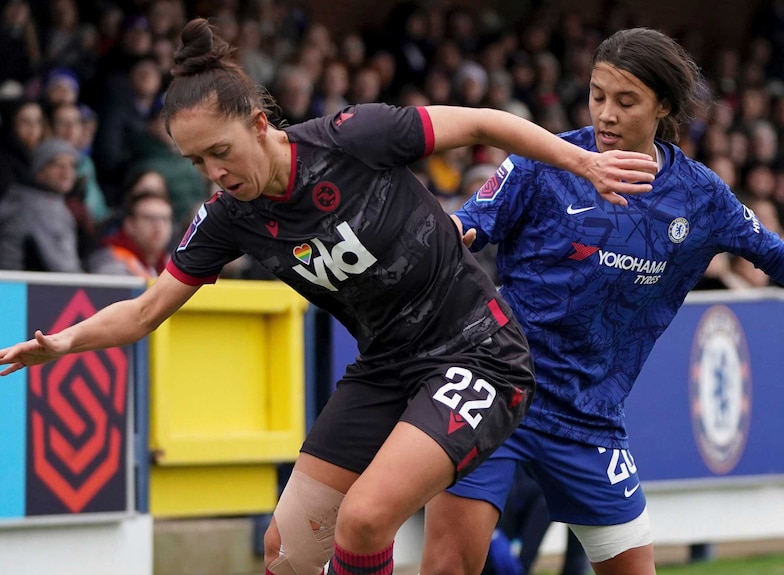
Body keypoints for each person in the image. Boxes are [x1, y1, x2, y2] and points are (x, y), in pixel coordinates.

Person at [0, 18, 657, 575]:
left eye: (221, 152)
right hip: (387, 368)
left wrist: (584, 164)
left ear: (260, 124)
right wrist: (65, 340)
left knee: (366, 518)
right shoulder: (230, 215)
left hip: (480, 353)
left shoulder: (353, 138)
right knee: (287, 548)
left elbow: (484, 120)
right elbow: (145, 309)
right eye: (198, 162)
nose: (216, 174)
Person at [421, 27, 784, 575]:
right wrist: (450, 232)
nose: (606, 113)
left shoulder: (700, 197)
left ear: (664, 107)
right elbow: (466, 224)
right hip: (495, 390)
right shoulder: (542, 161)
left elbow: (776, 255)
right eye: (597, 94)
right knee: (446, 567)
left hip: (590, 419)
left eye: (625, 101)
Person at [0, 137, 83, 273]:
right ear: (40, 170)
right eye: (58, 165)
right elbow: (62, 267)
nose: (67, 173)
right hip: (20, 289)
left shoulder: (46, 201)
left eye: (72, 165)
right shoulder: (33, 205)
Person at [87, 189, 173, 278]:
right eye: (149, 218)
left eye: (164, 219)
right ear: (130, 224)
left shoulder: (173, 261)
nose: (158, 226)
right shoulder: (109, 260)